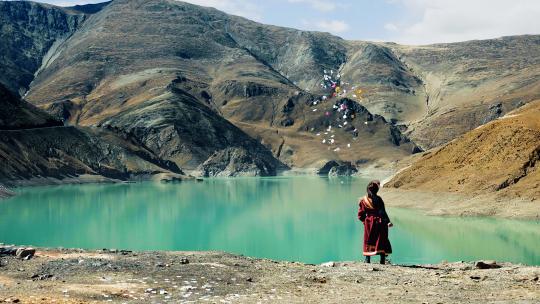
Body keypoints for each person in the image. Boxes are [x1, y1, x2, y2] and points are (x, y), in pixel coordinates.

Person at [357, 180, 393, 264]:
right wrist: (387, 222)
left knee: (369, 239)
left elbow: (360, 215)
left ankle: (367, 259)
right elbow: (382, 212)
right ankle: (382, 260)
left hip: (369, 223)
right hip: (381, 222)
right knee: (382, 239)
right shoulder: (379, 199)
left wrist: (365, 221)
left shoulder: (364, 201)